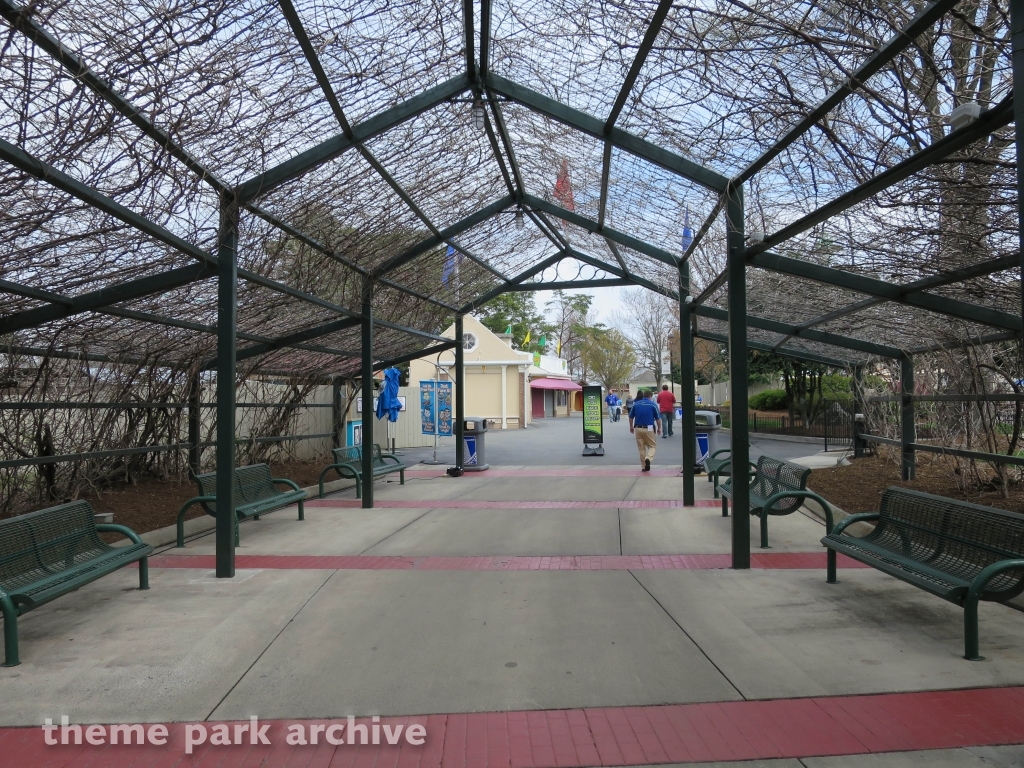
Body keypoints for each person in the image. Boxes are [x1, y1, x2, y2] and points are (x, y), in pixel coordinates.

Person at [629, 389, 661, 471]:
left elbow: (631, 417)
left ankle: (643, 466)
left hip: (638, 428)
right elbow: (658, 418)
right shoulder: (653, 405)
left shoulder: (636, 404)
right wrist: (659, 428)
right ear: (650, 396)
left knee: (641, 448)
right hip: (649, 428)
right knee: (652, 446)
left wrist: (631, 426)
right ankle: (648, 458)